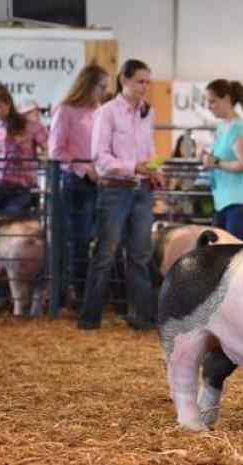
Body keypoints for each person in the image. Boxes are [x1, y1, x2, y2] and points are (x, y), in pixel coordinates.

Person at [77, 59, 165, 331]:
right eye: (140, 81)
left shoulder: (146, 112)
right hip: (115, 189)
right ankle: (89, 318)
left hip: (141, 190)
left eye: (147, 81)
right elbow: (100, 158)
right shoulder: (107, 112)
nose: (145, 87)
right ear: (124, 80)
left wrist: (155, 169)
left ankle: (142, 318)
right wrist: (133, 167)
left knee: (140, 255)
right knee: (106, 254)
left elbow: (148, 150)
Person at [49, 63, 110, 307]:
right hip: (77, 183)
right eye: (101, 87)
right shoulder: (65, 111)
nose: (104, 92)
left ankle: (97, 295)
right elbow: (56, 151)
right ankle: (81, 297)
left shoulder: (102, 111)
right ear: (89, 85)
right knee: (81, 241)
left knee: (104, 241)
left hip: (103, 182)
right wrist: (84, 169)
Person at [200, 80, 243, 244]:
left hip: (240, 203)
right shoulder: (223, 127)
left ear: (226, 99)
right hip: (226, 202)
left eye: (213, 101)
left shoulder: (238, 128)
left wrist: (216, 162)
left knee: (239, 258)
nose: (210, 106)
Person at [0, 85, 48, 218]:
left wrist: (41, 154)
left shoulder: (30, 125)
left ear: (8, 103)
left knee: (12, 227)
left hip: (18, 185)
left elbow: (49, 146)